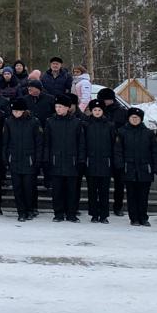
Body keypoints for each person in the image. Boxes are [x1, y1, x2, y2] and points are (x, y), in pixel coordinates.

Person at [43, 94, 86, 222]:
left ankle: (71, 213)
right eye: (56, 107)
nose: (58, 109)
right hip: (55, 160)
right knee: (57, 190)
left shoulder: (76, 122)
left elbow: (81, 143)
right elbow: (47, 143)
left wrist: (81, 160)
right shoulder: (50, 122)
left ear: (67, 108)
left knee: (72, 190)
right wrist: (46, 159)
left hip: (72, 161)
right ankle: (58, 213)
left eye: (61, 107)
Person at [115, 107, 157, 227]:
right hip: (128, 168)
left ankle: (143, 217)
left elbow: (155, 150)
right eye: (132, 117)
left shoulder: (148, 133)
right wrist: (120, 164)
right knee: (131, 195)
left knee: (143, 195)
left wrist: (156, 166)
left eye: (137, 118)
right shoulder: (122, 132)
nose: (134, 119)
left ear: (141, 119)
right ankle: (134, 218)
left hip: (145, 168)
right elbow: (118, 150)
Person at [2, 98, 42, 222]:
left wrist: (37, 159)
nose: (15, 113)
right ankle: (21, 211)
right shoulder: (8, 122)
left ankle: (30, 210)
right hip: (14, 159)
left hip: (29, 159)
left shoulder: (34, 122)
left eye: (18, 111)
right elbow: (5, 141)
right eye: (14, 111)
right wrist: (5, 158)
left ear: (24, 111)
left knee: (28, 187)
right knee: (17, 188)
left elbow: (39, 142)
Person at [83, 99, 115, 224]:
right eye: (95, 110)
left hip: (105, 162)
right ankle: (94, 214)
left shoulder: (109, 125)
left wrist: (112, 160)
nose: (97, 112)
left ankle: (104, 215)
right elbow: (82, 143)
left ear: (103, 111)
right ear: (91, 111)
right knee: (92, 190)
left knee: (104, 191)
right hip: (90, 161)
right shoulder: (86, 124)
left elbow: (114, 144)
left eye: (99, 110)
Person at [98, 88, 128, 216]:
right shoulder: (99, 110)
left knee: (119, 182)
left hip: (118, 150)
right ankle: (101, 206)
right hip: (102, 150)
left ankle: (118, 206)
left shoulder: (121, 112)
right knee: (102, 182)